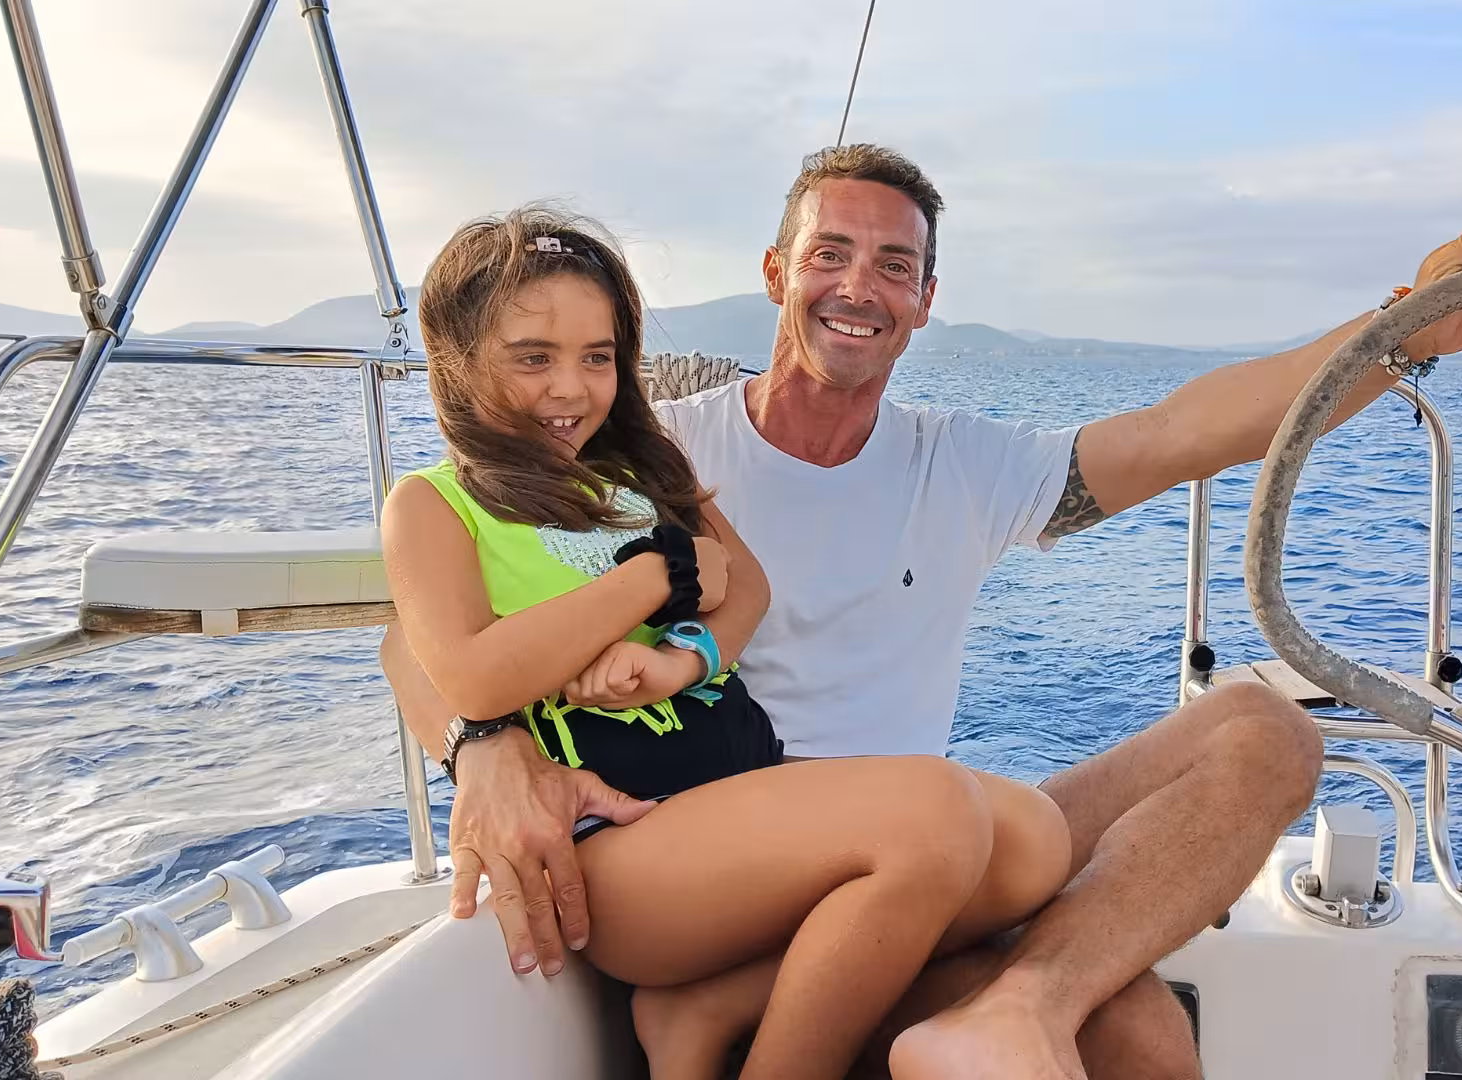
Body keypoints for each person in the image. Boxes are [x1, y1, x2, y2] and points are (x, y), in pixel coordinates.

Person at [381, 144, 1462, 1079]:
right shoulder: (659, 450)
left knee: (1263, 734)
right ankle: (861, 996)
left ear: (926, 300)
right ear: (775, 273)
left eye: (894, 266)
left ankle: (1016, 1003)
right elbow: (413, 631)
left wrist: (1410, 328)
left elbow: (1189, 429)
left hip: (929, 857)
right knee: (1124, 1026)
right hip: (734, 858)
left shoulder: (961, 464)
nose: (859, 285)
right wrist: (482, 748)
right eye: (830, 252)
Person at [379, 204, 1072, 1080]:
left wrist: (681, 660)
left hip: (739, 788)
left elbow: (747, 591)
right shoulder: (434, 505)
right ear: (458, 361)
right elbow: (473, 677)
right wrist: (650, 579)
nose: (570, 389)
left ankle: (707, 1003)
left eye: (597, 358)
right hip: (621, 844)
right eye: (532, 358)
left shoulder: (642, 473)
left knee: (1032, 840)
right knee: (936, 811)